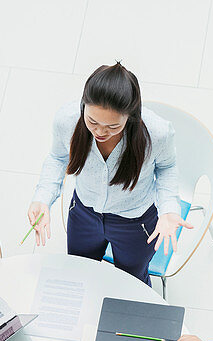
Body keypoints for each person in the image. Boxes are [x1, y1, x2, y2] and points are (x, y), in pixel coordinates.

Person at [27, 62, 192, 285]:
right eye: (92, 121)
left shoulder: (156, 133)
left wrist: (169, 209)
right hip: (84, 213)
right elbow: (57, 158)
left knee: (131, 282)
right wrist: (42, 198)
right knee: (79, 274)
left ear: (131, 116)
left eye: (113, 126)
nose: (100, 132)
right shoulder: (67, 120)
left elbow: (167, 167)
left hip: (135, 222)